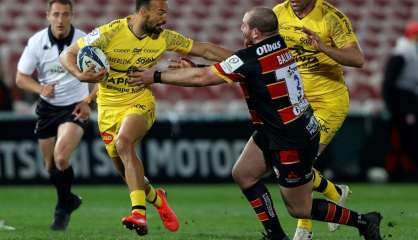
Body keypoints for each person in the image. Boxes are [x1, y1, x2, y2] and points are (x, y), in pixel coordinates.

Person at [128, 7, 382, 240]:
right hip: (278, 128)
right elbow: (243, 71)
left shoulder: (250, 58)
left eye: (244, 26)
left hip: (290, 137)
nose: (241, 30)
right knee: (244, 174)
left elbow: (204, 78)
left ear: (256, 32)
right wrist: (200, 67)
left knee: (300, 208)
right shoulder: (281, 45)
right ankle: (276, 236)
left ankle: (364, 221)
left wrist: (157, 76)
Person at [59, 0, 232, 236]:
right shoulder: (109, 33)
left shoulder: (165, 38)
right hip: (108, 108)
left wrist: (247, 59)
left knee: (124, 143)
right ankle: (157, 199)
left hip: (139, 101)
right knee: (127, 172)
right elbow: (67, 54)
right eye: (160, 13)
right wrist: (80, 75)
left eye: (166, 13)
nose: (165, 18)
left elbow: (206, 50)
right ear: (143, 12)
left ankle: (138, 214)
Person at [273, 0, 365, 238]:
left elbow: (357, 59)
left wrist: (323, 48)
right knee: (285, 164)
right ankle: (334, 192)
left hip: (328, 102)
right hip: (296, 100)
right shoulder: (278, 13)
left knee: (301, 164)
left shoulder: (330, 17)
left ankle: (305, 227)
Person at [15, 0, 90, 231]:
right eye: (56, 14)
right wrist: (40, 89)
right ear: (47, 16)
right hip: (47, 108)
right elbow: (21, 78)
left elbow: (104, 75)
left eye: (65, 14)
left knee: (60, 159)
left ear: (72, 15)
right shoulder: (37, 42)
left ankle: (61, 209)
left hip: (74, 107)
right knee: (50, 167)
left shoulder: (85, 41)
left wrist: (88, 101)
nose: (60, 20)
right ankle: (68, 200)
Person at [382, 21, 418, 180]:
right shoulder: (404, 52)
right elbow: (389, 80)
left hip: (406, 100)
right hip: (402, 102)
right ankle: (402, 172)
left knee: (407, 138)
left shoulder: (408, 52)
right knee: (405, 139)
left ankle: (404, 170)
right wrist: (391, 105)